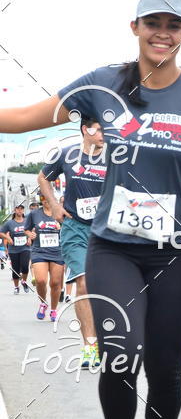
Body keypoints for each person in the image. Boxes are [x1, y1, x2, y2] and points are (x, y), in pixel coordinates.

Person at [0, 0, 181, 419]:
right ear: (135, 28)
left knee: (168, 369)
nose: (162, 33)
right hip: (114, 248)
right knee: (120, 355)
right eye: (153, 23)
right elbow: (29, 116)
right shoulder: (104, 84)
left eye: (173, 25)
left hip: (177, 248)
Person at [37, 118, 106, 367]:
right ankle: (90, 347)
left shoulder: (116, 158)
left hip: (106, 232)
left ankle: (105, 336)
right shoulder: (67, 155)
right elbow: (42, 178)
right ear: (84, 130)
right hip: (75, 228)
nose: (102, 134)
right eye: (96, 129)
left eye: (104, 129)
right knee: (84, 284)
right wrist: (54, 205)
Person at [24, 196, 64, 320]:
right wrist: (30, 234)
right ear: (41, 199)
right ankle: (43, 303)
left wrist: (61, 227)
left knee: (56, 283)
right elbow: (26, 229)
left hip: (57, 251)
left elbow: (70, 228)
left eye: (48, 197)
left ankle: (53, 310)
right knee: (40, 280)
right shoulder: (34, 214)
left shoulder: (60, 212)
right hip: (39, 251)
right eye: (43, 197)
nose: (46, 199)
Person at [0, 204, 31, 293]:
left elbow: (31, 230)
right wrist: (8, 238)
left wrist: (29, 238)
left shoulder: (26, 221)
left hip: (25, 248)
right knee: (15, 269)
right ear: (15, 210)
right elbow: (1, 232)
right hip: (13, 249)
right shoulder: (10, 223)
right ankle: (16, 287)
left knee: (25, 267)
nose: (20, 211)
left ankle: (24, 282)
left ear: (23, 211)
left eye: (21, 209)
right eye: (18, 209)